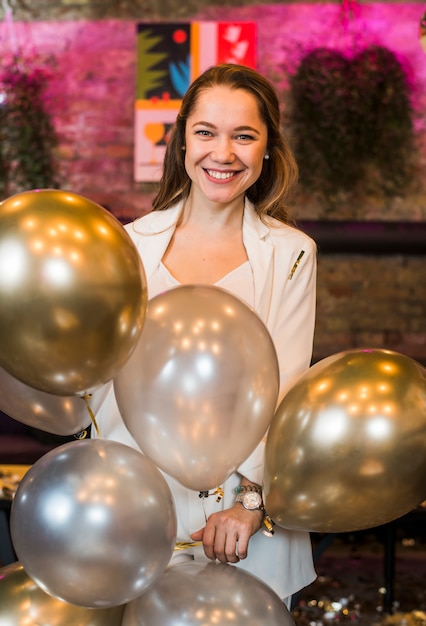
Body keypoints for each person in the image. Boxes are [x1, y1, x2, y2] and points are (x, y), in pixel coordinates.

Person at [93, 63, 317, 607]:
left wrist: (253, 502)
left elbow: (286, 389)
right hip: (132, 515)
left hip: (241, 524)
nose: (223, 153)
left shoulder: (291, 254)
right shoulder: (127, 246)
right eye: (205, 132)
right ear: (182, 142)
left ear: (267, 149)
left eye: (244, 135)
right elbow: (100, 390)